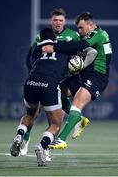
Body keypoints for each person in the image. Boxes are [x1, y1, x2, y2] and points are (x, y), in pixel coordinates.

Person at [21, 8, 89, 157]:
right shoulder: (43, 36)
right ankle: (26, 138)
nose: (58, 23)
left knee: (69, 101)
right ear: (51, 21)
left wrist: (77, 64)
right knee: (36, 111)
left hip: (67, 75)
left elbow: (82, 52)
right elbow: (30, 56)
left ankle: (75, 119)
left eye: (60, 20)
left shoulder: (73, 35)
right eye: (55, 20)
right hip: (47, 76)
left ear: (64, 21)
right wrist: (33, 71)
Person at [42, 12, 112, 149]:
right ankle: (79, 120)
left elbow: (79, 46)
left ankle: (61, 139)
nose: (79, 31)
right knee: (58, 91)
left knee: (77, 101)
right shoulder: (97, 34)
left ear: (90, 25)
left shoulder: (98, 34)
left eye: (81, 28)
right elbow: (82, 50)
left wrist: (53, 48)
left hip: (97, 77)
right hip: (85, 75)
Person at [10, 27, 74, 166]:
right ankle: (42, 146)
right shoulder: (63, 48)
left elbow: (31, 58)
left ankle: (19, 135)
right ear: (55, 39)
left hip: (30, 82)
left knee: (30, 115)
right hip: (49, 85)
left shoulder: (38, 50)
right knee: (56, 124)